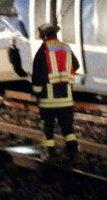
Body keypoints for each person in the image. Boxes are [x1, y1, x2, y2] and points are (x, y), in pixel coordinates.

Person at [31, 23, 81, 162]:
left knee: (48, 129)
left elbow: (38, 75)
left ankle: (49, 153)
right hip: (66, 98)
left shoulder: (43, 50)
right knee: (68, 129)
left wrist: (36, 92)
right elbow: (76, 65)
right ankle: (73, 152)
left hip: (48, 100)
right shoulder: (66, 47)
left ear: (43, 35)